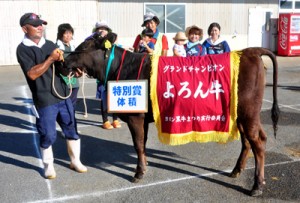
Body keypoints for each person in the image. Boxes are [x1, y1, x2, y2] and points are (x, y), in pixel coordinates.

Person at [16, 13, 87, 179]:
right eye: (36, 25)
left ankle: (75, 160)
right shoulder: (23, 49)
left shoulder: (49, 45)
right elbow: (32, 74)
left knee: (71, 128)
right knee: (48, 134)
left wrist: (73, 72)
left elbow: (61, 68)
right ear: (25, 28)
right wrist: (50, 59)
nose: (40, 27)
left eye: (41, 24)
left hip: (63, 94)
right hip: (44, 99)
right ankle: (48, 165)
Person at [93, 20, 122, 130]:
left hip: (113, 75)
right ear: (96, 31)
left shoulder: (113, 44)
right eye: (100, 29)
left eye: (105, 29)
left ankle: (115, 118)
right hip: (102, 75)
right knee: (104, 98)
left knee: (115, 96)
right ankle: (105, 120)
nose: (103, 31)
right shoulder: (94, 43)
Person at [56, 23, 80, 132]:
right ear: (60, 35)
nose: (68, 36)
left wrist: (80, 70)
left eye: (70, 33)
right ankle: (67, 129)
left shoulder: (74, 46)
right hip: (62, 81)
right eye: (65, 33)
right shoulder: (56, 48)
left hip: (74, 81)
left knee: (72, 106)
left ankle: (72, 128)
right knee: (66, 107)